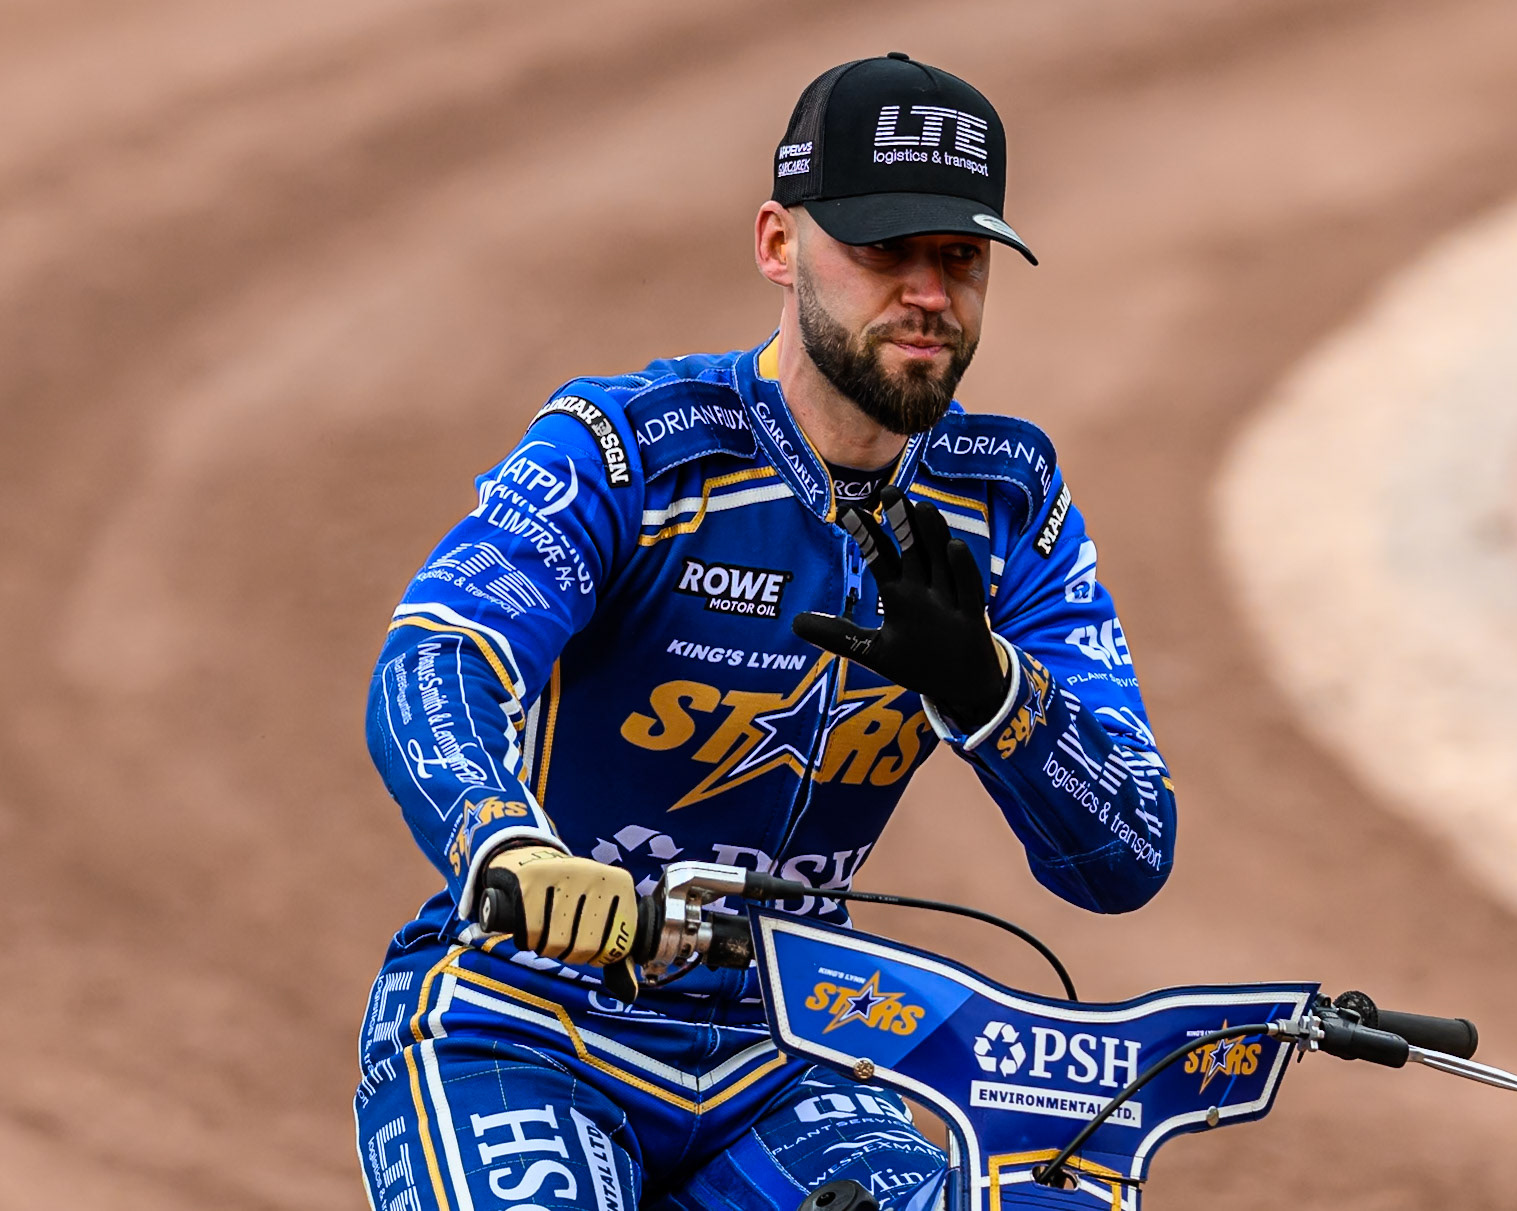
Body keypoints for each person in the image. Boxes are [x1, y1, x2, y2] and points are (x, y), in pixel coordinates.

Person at [354, 52, 1176, 1211]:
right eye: (883, 250)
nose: (928, 293)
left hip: (795, 1053)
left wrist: (992, 694)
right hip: (523, 1023)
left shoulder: (1006, 501)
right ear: (778, 245)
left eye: (959, 256)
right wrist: (511, 849)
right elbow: (436, 657)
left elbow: (1130, 850)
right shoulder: (631, 446)